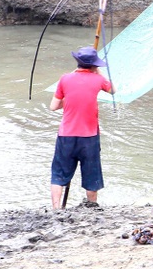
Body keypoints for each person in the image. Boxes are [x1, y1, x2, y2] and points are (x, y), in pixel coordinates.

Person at [49, 46, 114, 209]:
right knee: (92, 175)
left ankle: (56, 209)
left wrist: (70, 98)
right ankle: (92, 206)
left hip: (66, 136)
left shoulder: (64, 79)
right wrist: (98, 73)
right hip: (89, 137)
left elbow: (53, 106)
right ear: (94, 66)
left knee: (59, 174)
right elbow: (113, 90)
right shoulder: (98, 80)